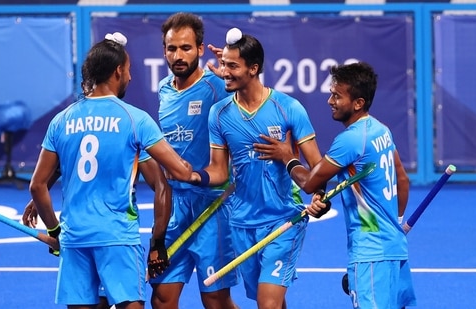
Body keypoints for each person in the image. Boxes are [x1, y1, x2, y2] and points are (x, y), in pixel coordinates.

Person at [29, 32, 193, 309]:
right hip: (117, 237)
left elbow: (37, 186)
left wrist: (56, 232)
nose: (129, 77)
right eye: (128, 71)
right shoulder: (135, 119)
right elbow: (180, 172)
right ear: (118, 71)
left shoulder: (61, 120)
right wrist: (189, 166)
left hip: (75, 237)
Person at [253, 61, 417, 308]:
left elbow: (309, 183)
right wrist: (397, 221)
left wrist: (287, 156)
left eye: (337, 96)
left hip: (370, 251)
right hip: (394, 246)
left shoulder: (350, 140)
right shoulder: (380, 130)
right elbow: (402, 180)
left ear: (358, 103)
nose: (330, 100)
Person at [186, 28, 327, 309]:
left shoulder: (288, 108)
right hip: (241, 223)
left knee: (267, 303)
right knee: (269, 299)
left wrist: (320, 196)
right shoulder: (220, 114)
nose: (223, 71)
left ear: (254, 68)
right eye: (223, 64)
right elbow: (219, 171)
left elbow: (317, 166)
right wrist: (192, 176)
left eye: (232, 66)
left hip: (283, 220)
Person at [148, 13, 239, 309]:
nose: (178, 55)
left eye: (186, 48)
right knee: (162, 298)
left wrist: (233, 80)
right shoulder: (163, 89)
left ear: (200, 49)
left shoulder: (217, 88)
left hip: (212, 207)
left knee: (215, 301)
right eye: (171, 48)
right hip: (174, 208)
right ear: (164, 51)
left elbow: (249, 105)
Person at [22, 151, 171, 309]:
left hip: (77, 235)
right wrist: (157, 243)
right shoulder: (134, 129)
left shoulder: (62, 127)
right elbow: (165, 184)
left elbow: (40, 184)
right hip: (118, 236)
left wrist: (54, 229)